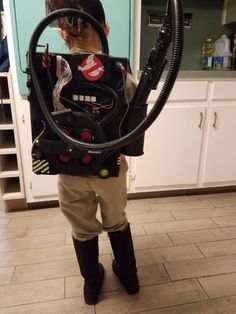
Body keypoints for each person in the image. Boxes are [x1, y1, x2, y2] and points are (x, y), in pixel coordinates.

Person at [46, 0, 139, 305]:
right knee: (117, 218)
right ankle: (128, 274)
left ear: (62, 35)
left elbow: (41, 117)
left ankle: (92, 279)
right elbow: (135, 115)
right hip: (111, 164)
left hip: (69, 167)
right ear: (106, 29)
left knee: (82, 225)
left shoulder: (51, 71)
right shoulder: (119, 72)